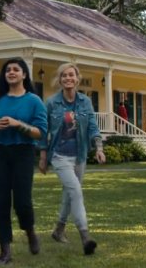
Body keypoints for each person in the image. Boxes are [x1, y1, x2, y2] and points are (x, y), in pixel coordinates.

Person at [0, 58, 48, 265]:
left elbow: (40, 132)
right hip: (0, 153)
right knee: (0, 202)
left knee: (22, 201)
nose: (11, 72)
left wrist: (18, 124)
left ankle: (29, 231)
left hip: (23, 153)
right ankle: (5, 251)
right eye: (8, 70)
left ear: (24, 75)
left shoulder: (34, 101)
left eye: (16, 70)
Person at [38, 62, 106, 255]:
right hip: (59, 156)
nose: (68, 78)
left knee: (69, 194)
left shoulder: (85, 102)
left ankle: (58, 230)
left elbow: (92, 126)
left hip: (80, 156)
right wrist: (43, 156)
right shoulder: (51, 103)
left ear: (77, 79)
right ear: (60, 80)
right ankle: (85, 237)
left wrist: (99, 148)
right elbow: (43, 131)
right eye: (64, 76)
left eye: (71, 75)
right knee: (75, 191)